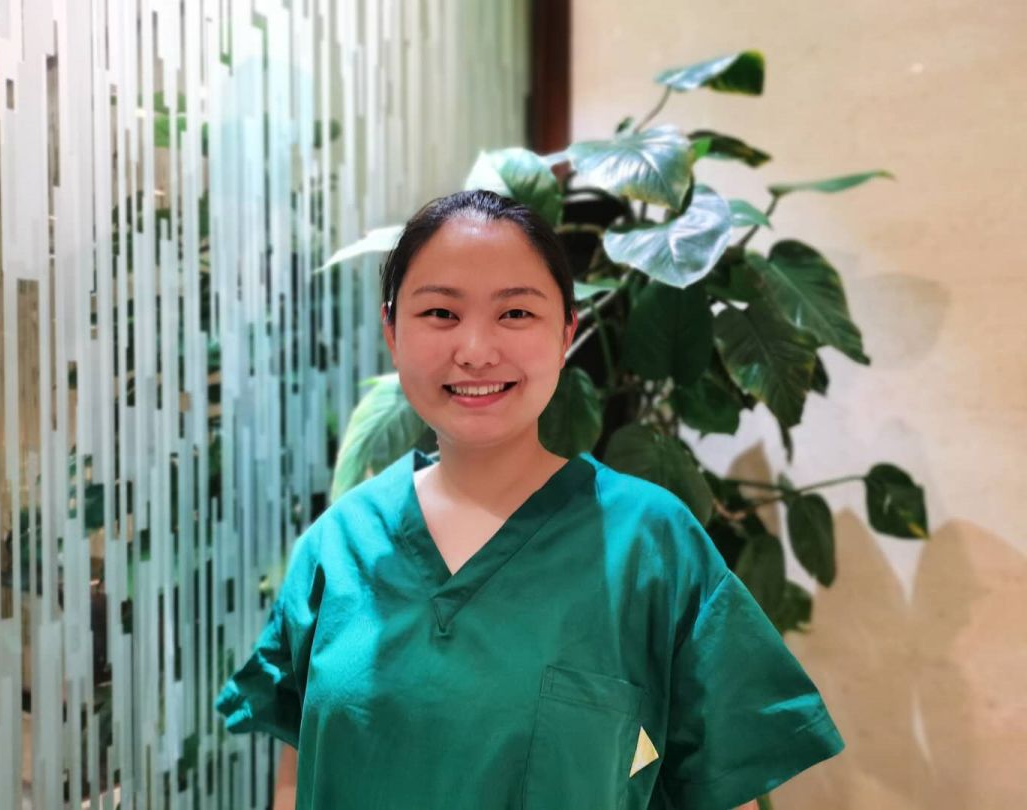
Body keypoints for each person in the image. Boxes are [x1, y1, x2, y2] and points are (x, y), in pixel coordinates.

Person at [215, 190, 844, 809]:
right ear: (392, 332)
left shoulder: (651, 545)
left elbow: (720, 789)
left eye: (515, 313)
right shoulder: (338, 546)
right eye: (440, 313)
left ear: (567, 331)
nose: (475, 351)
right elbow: (298, 776)